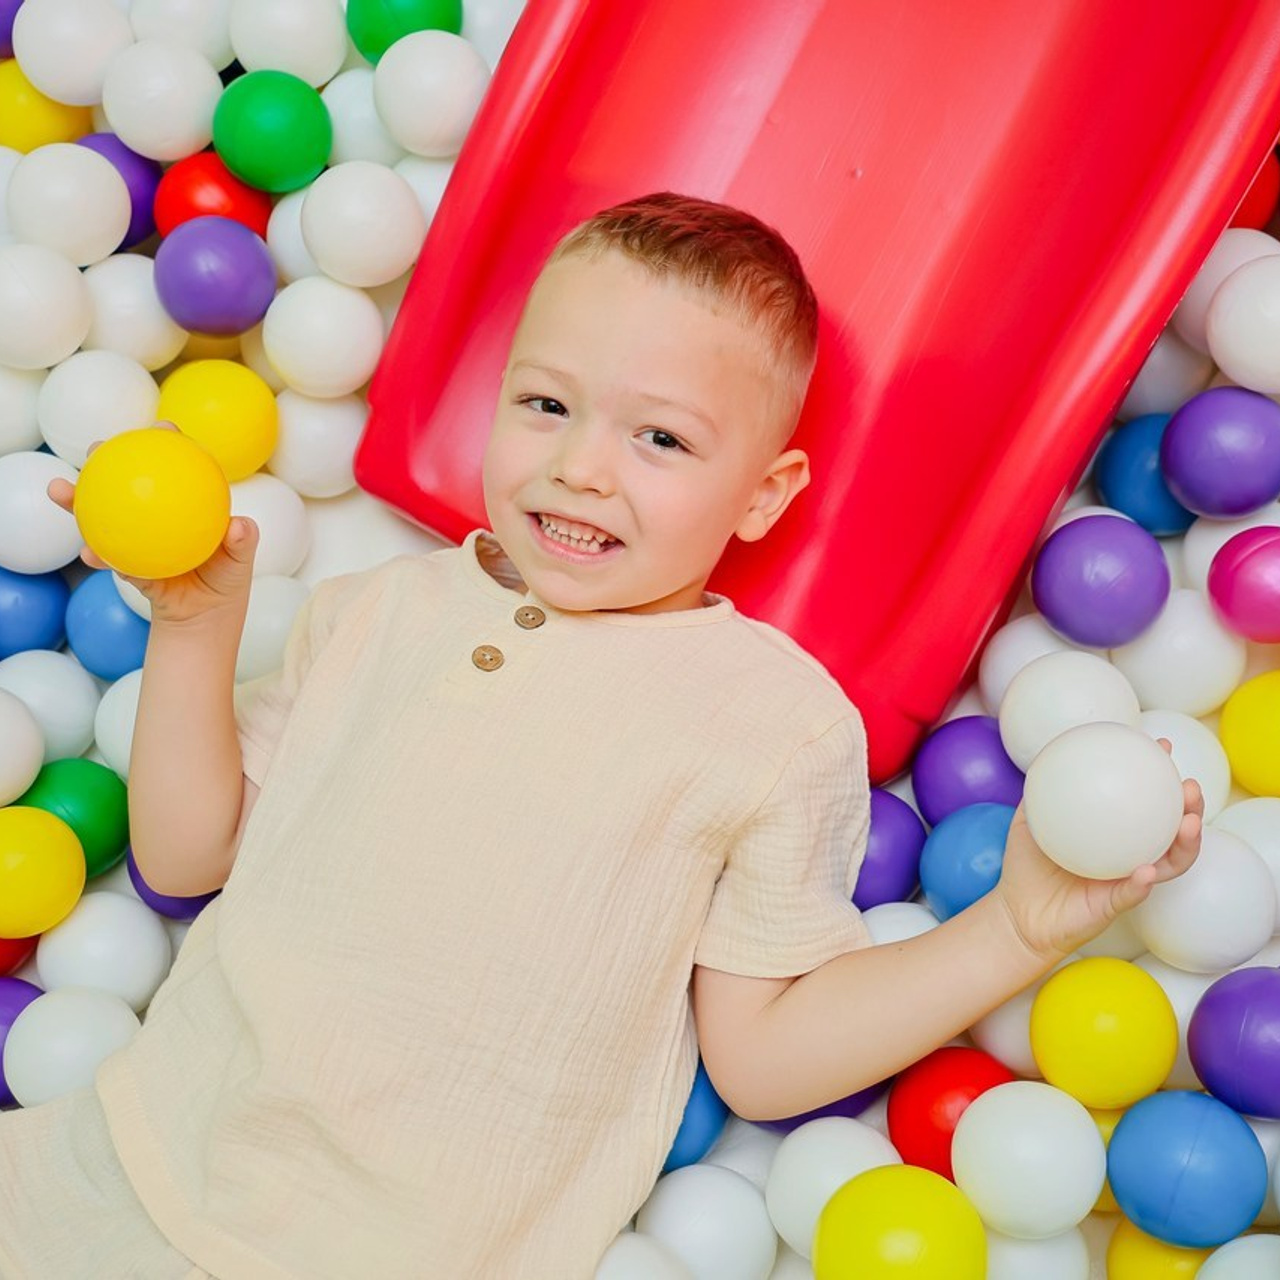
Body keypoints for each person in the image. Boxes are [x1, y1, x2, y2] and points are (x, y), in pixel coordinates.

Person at [26, 192, 1203, 1279]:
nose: (579, 467)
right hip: (132, 1155)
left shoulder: (773, 722)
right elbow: (187, 860)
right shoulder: (378, 609)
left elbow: (762, 1057)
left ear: (761, 495)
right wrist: (195, 624)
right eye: (545, 404)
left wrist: (1015, 925)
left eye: (662, 441)